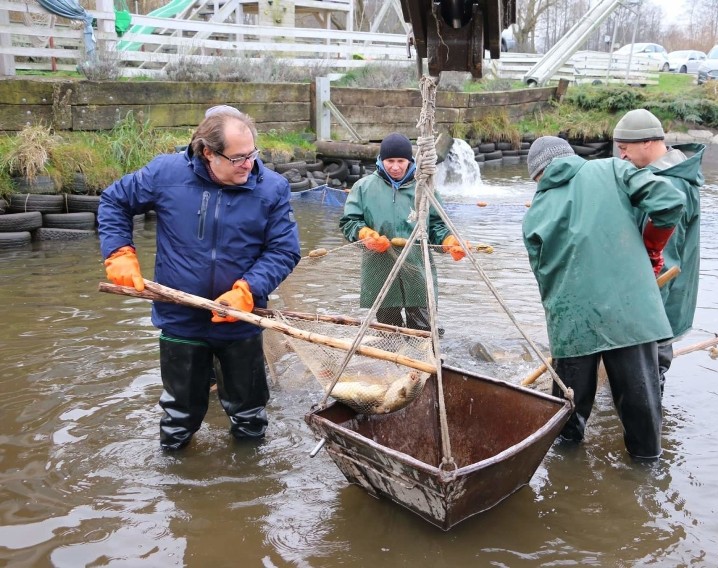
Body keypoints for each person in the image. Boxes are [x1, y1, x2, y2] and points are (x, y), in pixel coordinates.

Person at [98, 108, 301, 450]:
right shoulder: (166, 173)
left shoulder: (273, 189)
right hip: (182, 321)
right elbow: (114, 201)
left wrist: (248, 290)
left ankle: (250, 489)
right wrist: (119, 252)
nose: (248, 164)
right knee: (179, 416)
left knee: (250, 415)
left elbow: (283, 250)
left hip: (240, 321)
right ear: (208, 152)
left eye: (252, 154)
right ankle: (178, 488)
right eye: (238, 157)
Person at [521, 136, 685, 460]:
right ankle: (647, 475)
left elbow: (544, 281)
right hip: (631, 315)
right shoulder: (613, 169)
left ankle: (565, 475)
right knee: (642, 411)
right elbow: (670, 202)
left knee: (566, 419)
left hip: (572, 324)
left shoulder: (535, 214)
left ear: (538, 175)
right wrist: (651, 247)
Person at [613, 109, 705, 396]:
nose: (623, 157)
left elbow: (668, 259)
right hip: (653, 303)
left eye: (625, 149)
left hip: (658, 305)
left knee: (649, 377)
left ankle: (653, 429)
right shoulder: (663, 174)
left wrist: (645, 312)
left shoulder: (671, 185)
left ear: (648, 143)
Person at [339, 132, 465, 330]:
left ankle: (427, 355)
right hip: (379, 269)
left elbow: (436, 226)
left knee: (423, 330)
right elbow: (349, 222)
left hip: (417, 270)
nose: (395, 167)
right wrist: (364, 234)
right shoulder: (363, 187)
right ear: (381, 160)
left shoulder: (423, 189)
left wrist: (449, 242)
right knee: (390, 330)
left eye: (401, 161)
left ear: (410, 161)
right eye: (390, 161)